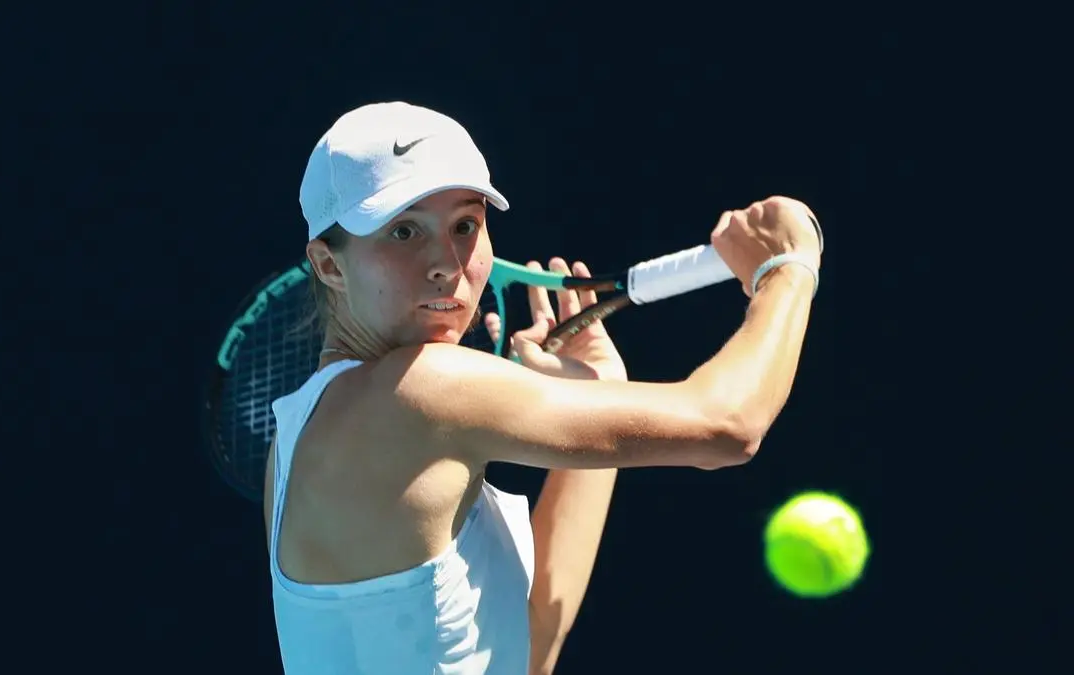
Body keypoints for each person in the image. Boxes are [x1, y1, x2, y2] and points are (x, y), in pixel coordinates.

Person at [265, 101, 823, 674]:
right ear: (329, 266)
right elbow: (728, 425)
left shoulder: (295, 442)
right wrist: (786, 271)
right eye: (404, 231)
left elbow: (526, 649)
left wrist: (604, 386)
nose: (446, 264)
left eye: (465, 226)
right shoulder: (421, 389)